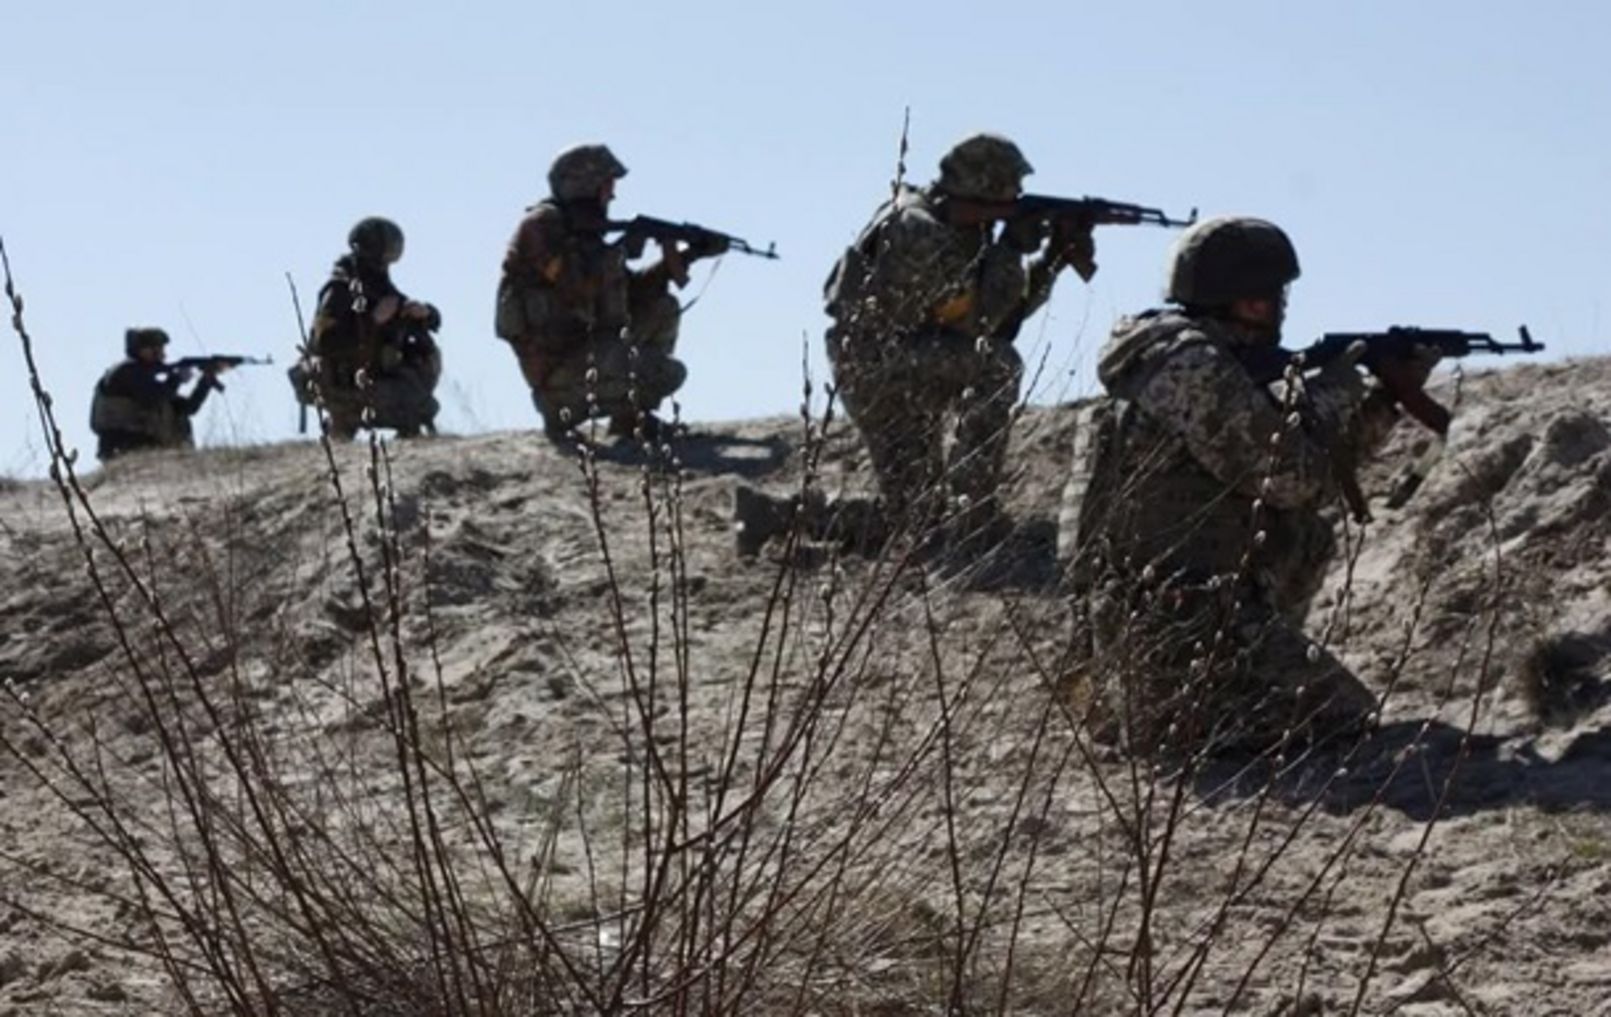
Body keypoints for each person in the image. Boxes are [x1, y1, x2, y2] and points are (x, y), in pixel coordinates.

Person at [1061, 215, 1440, 755]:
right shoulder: (1190, 368)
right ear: (1252, 302)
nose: (1282, 307)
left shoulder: (1181, 360)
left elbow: (1315, 481)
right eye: (1275, 295)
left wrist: (1383, 402)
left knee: (1307, 535)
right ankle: (1181, 720)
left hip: (1167, 617)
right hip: (1170, 626)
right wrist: (1336, 389)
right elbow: (1288, 479)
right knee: (1342, 715)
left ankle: (1217, 683)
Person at [816, 132, 1094, 552]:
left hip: (900, 361)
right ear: (983, 187)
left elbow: (1003, 316)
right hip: (878, 365)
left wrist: (1051, 260)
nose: (1016, 199)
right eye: (1010, 191)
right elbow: (980, 323)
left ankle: (779, 516)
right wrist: (1011, 247)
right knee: (998, 365)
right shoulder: (917, 229)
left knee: (917, 517)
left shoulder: (958, 227)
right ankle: (974, 514)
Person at [494, 143, 726, 443]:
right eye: (607, 186)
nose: (612, 196)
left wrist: (689, 255)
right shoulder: (540, 227)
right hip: (557, 370)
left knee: (663, 308)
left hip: (589, 353)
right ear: (584, 187)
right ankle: (561, 410)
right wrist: (621, 249)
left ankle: (630, 420)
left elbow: (634, 290)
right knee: (666, 372)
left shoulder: (587, 238)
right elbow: (576, 288)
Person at [292, 217, 442, 440]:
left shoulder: (378, 285)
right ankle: (343, 423)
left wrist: (425, 313)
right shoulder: (339, 290)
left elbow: (418, 314)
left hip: (374, 375)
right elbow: (326, 343)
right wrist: (374, 321)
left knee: (419, 399)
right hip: (344, 380)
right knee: (413, 407)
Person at [90, 327, 225, 461]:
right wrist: (176, 379)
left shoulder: (148, 381)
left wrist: (205, 382)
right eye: (156, 350)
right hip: (123, 444)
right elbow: (153, 399)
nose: (163, 356)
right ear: (142, 350)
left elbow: (188, 408)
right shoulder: (126, 372)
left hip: (145, 447)